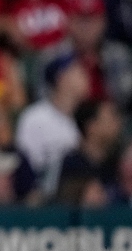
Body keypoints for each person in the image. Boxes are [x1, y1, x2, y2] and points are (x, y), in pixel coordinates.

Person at [14, 52, 89, 196]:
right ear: (61, 78)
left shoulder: (82, 120)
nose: (85, 77)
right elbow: (25, 164)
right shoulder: (35, 117)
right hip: (43, 199)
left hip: (73, 196)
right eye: (78, 71)